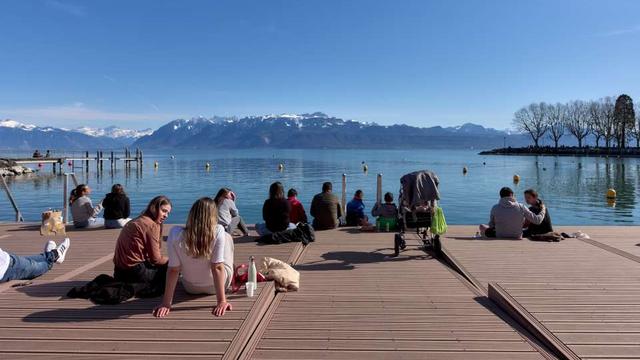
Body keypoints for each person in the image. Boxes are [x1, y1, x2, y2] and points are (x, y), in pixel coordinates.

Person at [153, 197, 234, 318]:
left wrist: (166, 303)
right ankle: (232, 270)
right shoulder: (218, 231)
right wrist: (221, 301)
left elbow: (174, 270)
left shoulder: (175, 233)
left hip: (190, 287)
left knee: (222, 238)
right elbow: (217, 268)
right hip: (215, 287)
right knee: (227, 237)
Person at [113, 196, 172, 292]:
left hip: (118, 272)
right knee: (173, 268)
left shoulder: (136, 220)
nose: (166, 215)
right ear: (154, 208)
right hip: (135, 273)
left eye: (168, 213)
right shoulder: (151, 225)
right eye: (164, 211)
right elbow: (156, 260)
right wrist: (174, 261)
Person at [479, 187, 546, 239]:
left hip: (500, 235)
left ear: (501, 196)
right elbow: (537, 220)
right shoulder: (521, 206)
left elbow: (491, 225)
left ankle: (482, 236)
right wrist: (543, 209)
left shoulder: (495, 207)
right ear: (512, 195)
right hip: (517, 236)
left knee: (482, 226)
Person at [1, 238, 70, 283]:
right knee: (35, 265)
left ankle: (51, 255)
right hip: (7, 267)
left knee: (29, 262)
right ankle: (53, 255)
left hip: (7, 261)